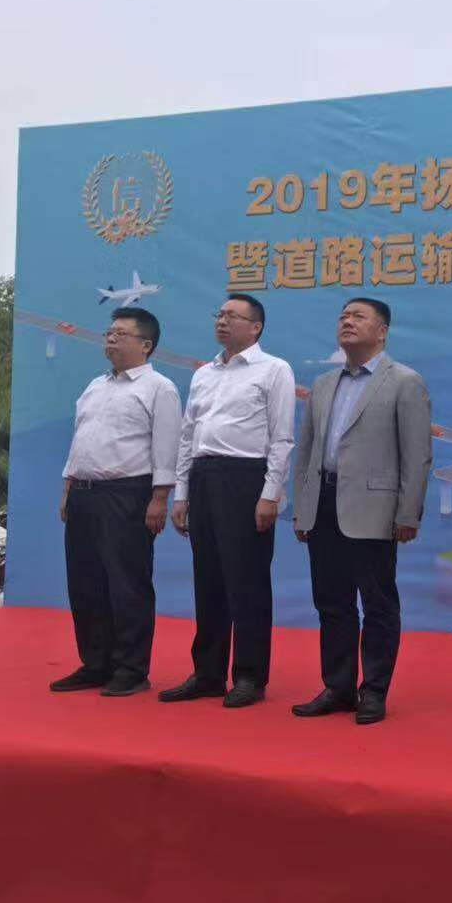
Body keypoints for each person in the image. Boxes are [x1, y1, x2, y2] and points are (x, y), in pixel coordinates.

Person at [289, 298, 432, 725]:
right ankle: (338, 687)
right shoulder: (323, 384)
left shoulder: (404, 381)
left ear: (382, 331)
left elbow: (417, 455)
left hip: (375, 509)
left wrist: (408, 513)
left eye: (358, 317)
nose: (347, 322)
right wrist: (302, 508)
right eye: (343, 317)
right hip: (324, 505)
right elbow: (306, 452)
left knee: (378, 604)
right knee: (332, 602)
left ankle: (373, 690)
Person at [161, 294, 295, 708]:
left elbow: (282, 438)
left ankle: (250, 676)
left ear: (256, 327)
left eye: (232, 316)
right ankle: (208, 673)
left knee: (247, 581)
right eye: (219, 314)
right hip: (203, 476)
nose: (222, 321)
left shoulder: (274, 370)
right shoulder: (204, 373)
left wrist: (269, 494)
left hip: (246, 478)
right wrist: (182, 493)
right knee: (208, 580)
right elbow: (188, 436)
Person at [51, 308, 181, 697]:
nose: (110, 337)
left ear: (146, 344)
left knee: (127, 584)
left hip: (128, 494)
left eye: (121, 333)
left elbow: (166, 448)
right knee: (85, 582)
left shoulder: (159, 388)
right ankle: (96, 664)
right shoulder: (95, 385)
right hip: (84, 492)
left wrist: (160, 498)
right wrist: (68, 489)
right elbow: (81, 439)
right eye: (109, 331)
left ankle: (131, 668)